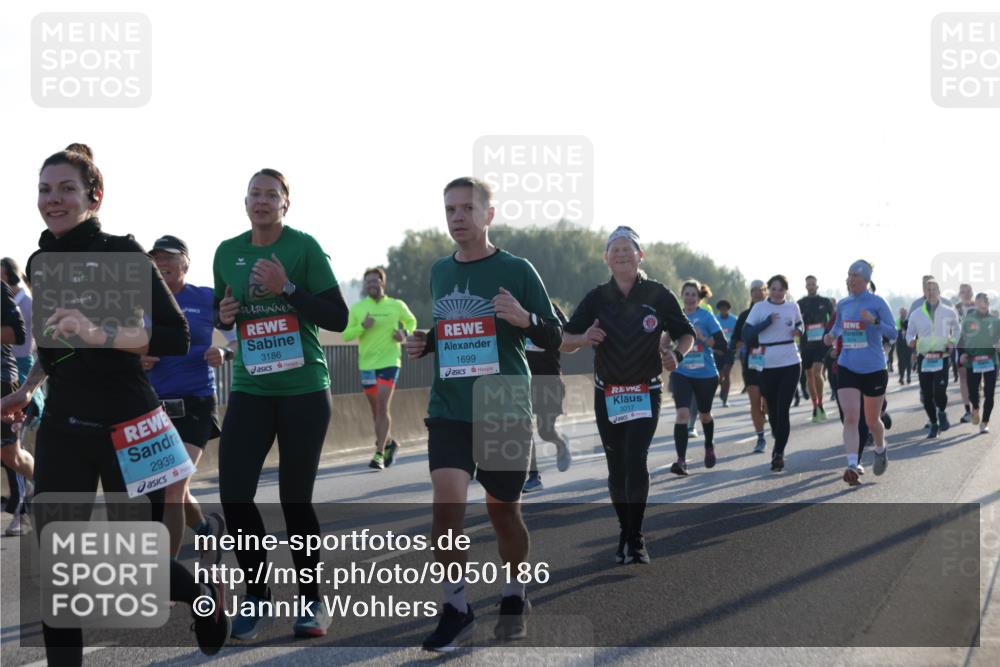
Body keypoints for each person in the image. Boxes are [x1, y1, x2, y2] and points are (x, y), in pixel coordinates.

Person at [0, 144, 230, 665]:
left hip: (130, 422)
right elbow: (56, 348)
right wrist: (27, 388)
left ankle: (198, 595)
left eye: (66, 189)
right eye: (44, 189)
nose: (52, 199)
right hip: (64, 425)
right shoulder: (40, 260)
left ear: (94, 197)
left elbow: (172, 335)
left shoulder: (123, 255)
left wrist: (101, 331)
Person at [405, 177, 563, 650]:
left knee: (503, 512)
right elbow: (452, 327)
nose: (457, 217)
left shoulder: (517, 269)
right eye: (450, 209)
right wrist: (426, 342)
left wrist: (526, 320)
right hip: (449, 406)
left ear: (488, 215)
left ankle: (515, 591)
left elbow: (555, 333)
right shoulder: (439, 270)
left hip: (502, 404)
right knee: (446, 504)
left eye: (467, 208)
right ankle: (455, 606)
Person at [214, 168, 349, 639]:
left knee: (294, 499)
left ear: (285, 204)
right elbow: (222, 309)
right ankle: (257, 595)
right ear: (245, 201)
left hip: (304, 390)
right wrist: (224, 314)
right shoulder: (227, 252)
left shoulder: (303, 247)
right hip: (252, 388)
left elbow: (338, 316)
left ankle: (313, 601)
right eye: (255, 193)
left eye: (272, 194)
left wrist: (286, 287)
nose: (262, 200)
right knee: (233, 494)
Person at [562, 226, 693, 562]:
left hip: (645, 390)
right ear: (606, 258)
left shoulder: (657, 294)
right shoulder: (596, 297)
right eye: (614, 250)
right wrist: (584, 337)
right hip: (607, 393)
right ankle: (625, 529)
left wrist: (675, 356)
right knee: (616, 466)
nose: (621, 255)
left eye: (627, 249)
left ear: (640, 256)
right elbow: (565, 338)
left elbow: (684, 335)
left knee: (635, 459)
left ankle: (636, 538)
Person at [143, 235, 229, 561]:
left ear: (186, 263)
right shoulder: (140, 302)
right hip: (152, 406)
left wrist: (224, 351)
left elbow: (240, 339)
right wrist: (136, 360)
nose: (161, 264)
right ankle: (206, 529)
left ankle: (166, 574)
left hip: (196, 403)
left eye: (169, 258)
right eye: (156, 258)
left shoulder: (207, 298)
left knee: (173, 488)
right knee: (170, 490)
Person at [824, 261, 896, 486]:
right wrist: (830, 337)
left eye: (855, 275)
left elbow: (893, 333)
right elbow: (837, 330)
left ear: (865, 280)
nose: (850, 279)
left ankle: (880, 448)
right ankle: (853, 464)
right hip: (847, 366)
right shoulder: (844, 304)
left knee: (872, 420)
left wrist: (873, 321)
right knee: (851, 417)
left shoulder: (877, 302)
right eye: (848, 275)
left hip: (874, 369)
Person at [342, 266, 417, 470]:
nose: (372, 285)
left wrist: (404, 333)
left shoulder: (396, 305)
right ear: (365, 285)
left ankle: (378, 454)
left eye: (375, 281)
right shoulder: (358, 308)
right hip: (366, 365)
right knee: (376, 411)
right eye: (368, 282)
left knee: (383, 407)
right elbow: (346, 335)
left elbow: (411, 321)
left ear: (382, 283)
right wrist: (362, 327)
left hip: (390, 362)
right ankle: (389, 443)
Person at [741, 275, 803, 472]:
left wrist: (799, 331)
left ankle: (778, 453)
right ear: (769, 290)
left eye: (781, 289)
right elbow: (746, 334)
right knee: (773, 410)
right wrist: (765, 323)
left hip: (791, 361)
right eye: (774, 289)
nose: (777, 293)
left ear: (786, 290)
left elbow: (800, 324)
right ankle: (778, 438)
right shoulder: (760, 308)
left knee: (783, 408)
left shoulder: (792, 307)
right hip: (767, 364)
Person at [669, 281, 727, 475]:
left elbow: (722, 344)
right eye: (687, 294)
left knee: (704, 414)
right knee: (682, 415)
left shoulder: (706, 316)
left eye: (694, 294)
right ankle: (681, 461)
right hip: (681, 372)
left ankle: (709, 445)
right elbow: (665, 340)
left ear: (699, 297)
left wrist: (702, 337)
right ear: (682, 295)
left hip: (706, 374)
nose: (690, 297)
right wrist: (663, 350)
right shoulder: (676, 316)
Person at [522, 301, 572, 493]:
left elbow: (566, 332)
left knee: (545, 431)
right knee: (524, 428)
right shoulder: (512, 305)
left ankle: (560, 443)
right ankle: (534, 476)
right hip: (522, 379)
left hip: (549, 380)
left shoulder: (548, 305)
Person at [906, 276, 960, 438]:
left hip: (941, 355)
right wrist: (911, 342)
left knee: (939, 391)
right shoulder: (916, 314)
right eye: (928, 290)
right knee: (927, 395)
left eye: (934, 289)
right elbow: (909, 334)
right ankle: (934, 423)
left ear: (939, 292)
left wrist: (952, 342)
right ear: (924, 292)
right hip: (924, 358)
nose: (931, 293)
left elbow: (957, 330)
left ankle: (942, 412)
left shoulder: (948, 311)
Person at [731, 279, 769, 452]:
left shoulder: (773, 311)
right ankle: (760, 438)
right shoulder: (745, 315)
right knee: (755, 401)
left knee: (768, 403)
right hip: (752, 361)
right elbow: (735, 340)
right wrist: (741, 346)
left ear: (766, 291)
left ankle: (767, 414)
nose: (756, 293)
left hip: (772, 362)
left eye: (760, 289)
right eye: (753, 290)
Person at [958, 292, 1000, 434]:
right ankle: (975, 407)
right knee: (973, 391)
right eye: (978, 303)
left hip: (990, 360)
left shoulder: (995, 320)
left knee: (989, 393)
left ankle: (985, 422)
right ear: (975, 304)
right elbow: (962, 340)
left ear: (988, 304)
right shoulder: (968, 320)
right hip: (972, 361)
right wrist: (962, 353)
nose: (981, 305)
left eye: (984, 303)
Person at [797, 275, 834, 423]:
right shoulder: (800, 304)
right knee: (809, 376)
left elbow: (833, 319)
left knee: (817, 371)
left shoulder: (825, 302)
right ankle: (814, 406)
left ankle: (821, 403)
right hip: (806, 345)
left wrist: (831, 335)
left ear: (817, 286)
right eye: (809, 284)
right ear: (806, 287)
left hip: (821, 344)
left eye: (813, 284)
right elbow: (795, 322)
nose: (811, 286)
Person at [955, 283, 976, 423]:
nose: (966, 294)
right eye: (963, 292)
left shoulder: (978, 307)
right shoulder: (955, 309)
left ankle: (976, 408)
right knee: (963, 378)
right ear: (959, 294)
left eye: (968, 291)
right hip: (960, 346)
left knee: (975, 380)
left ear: (972, 292)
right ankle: (967, 410)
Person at [714, 299, 738, 407]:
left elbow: (738, 335)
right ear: (719, 310)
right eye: (721, 309)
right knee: (720, 375)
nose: (723, 310)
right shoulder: (715, 319)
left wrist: (736, 347)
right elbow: (711, 334)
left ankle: (725, 398)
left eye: (725, 308)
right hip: (718, 350)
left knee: (726, 373)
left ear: (728, 309)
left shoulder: (734, 320)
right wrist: (715, 348)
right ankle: (722, 388)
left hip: (729, 350)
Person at [896, 307, 912, 384]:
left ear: (906, 313)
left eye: (904, 312)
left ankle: (908, 376)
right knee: (901, 362)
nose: (903, 314)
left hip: (908, 345)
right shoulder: (897, 321)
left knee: (908, 361)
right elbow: (894, 332)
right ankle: (901, 377)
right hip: (899, 345)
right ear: (900, 313)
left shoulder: (910, 322)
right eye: (902, 312)